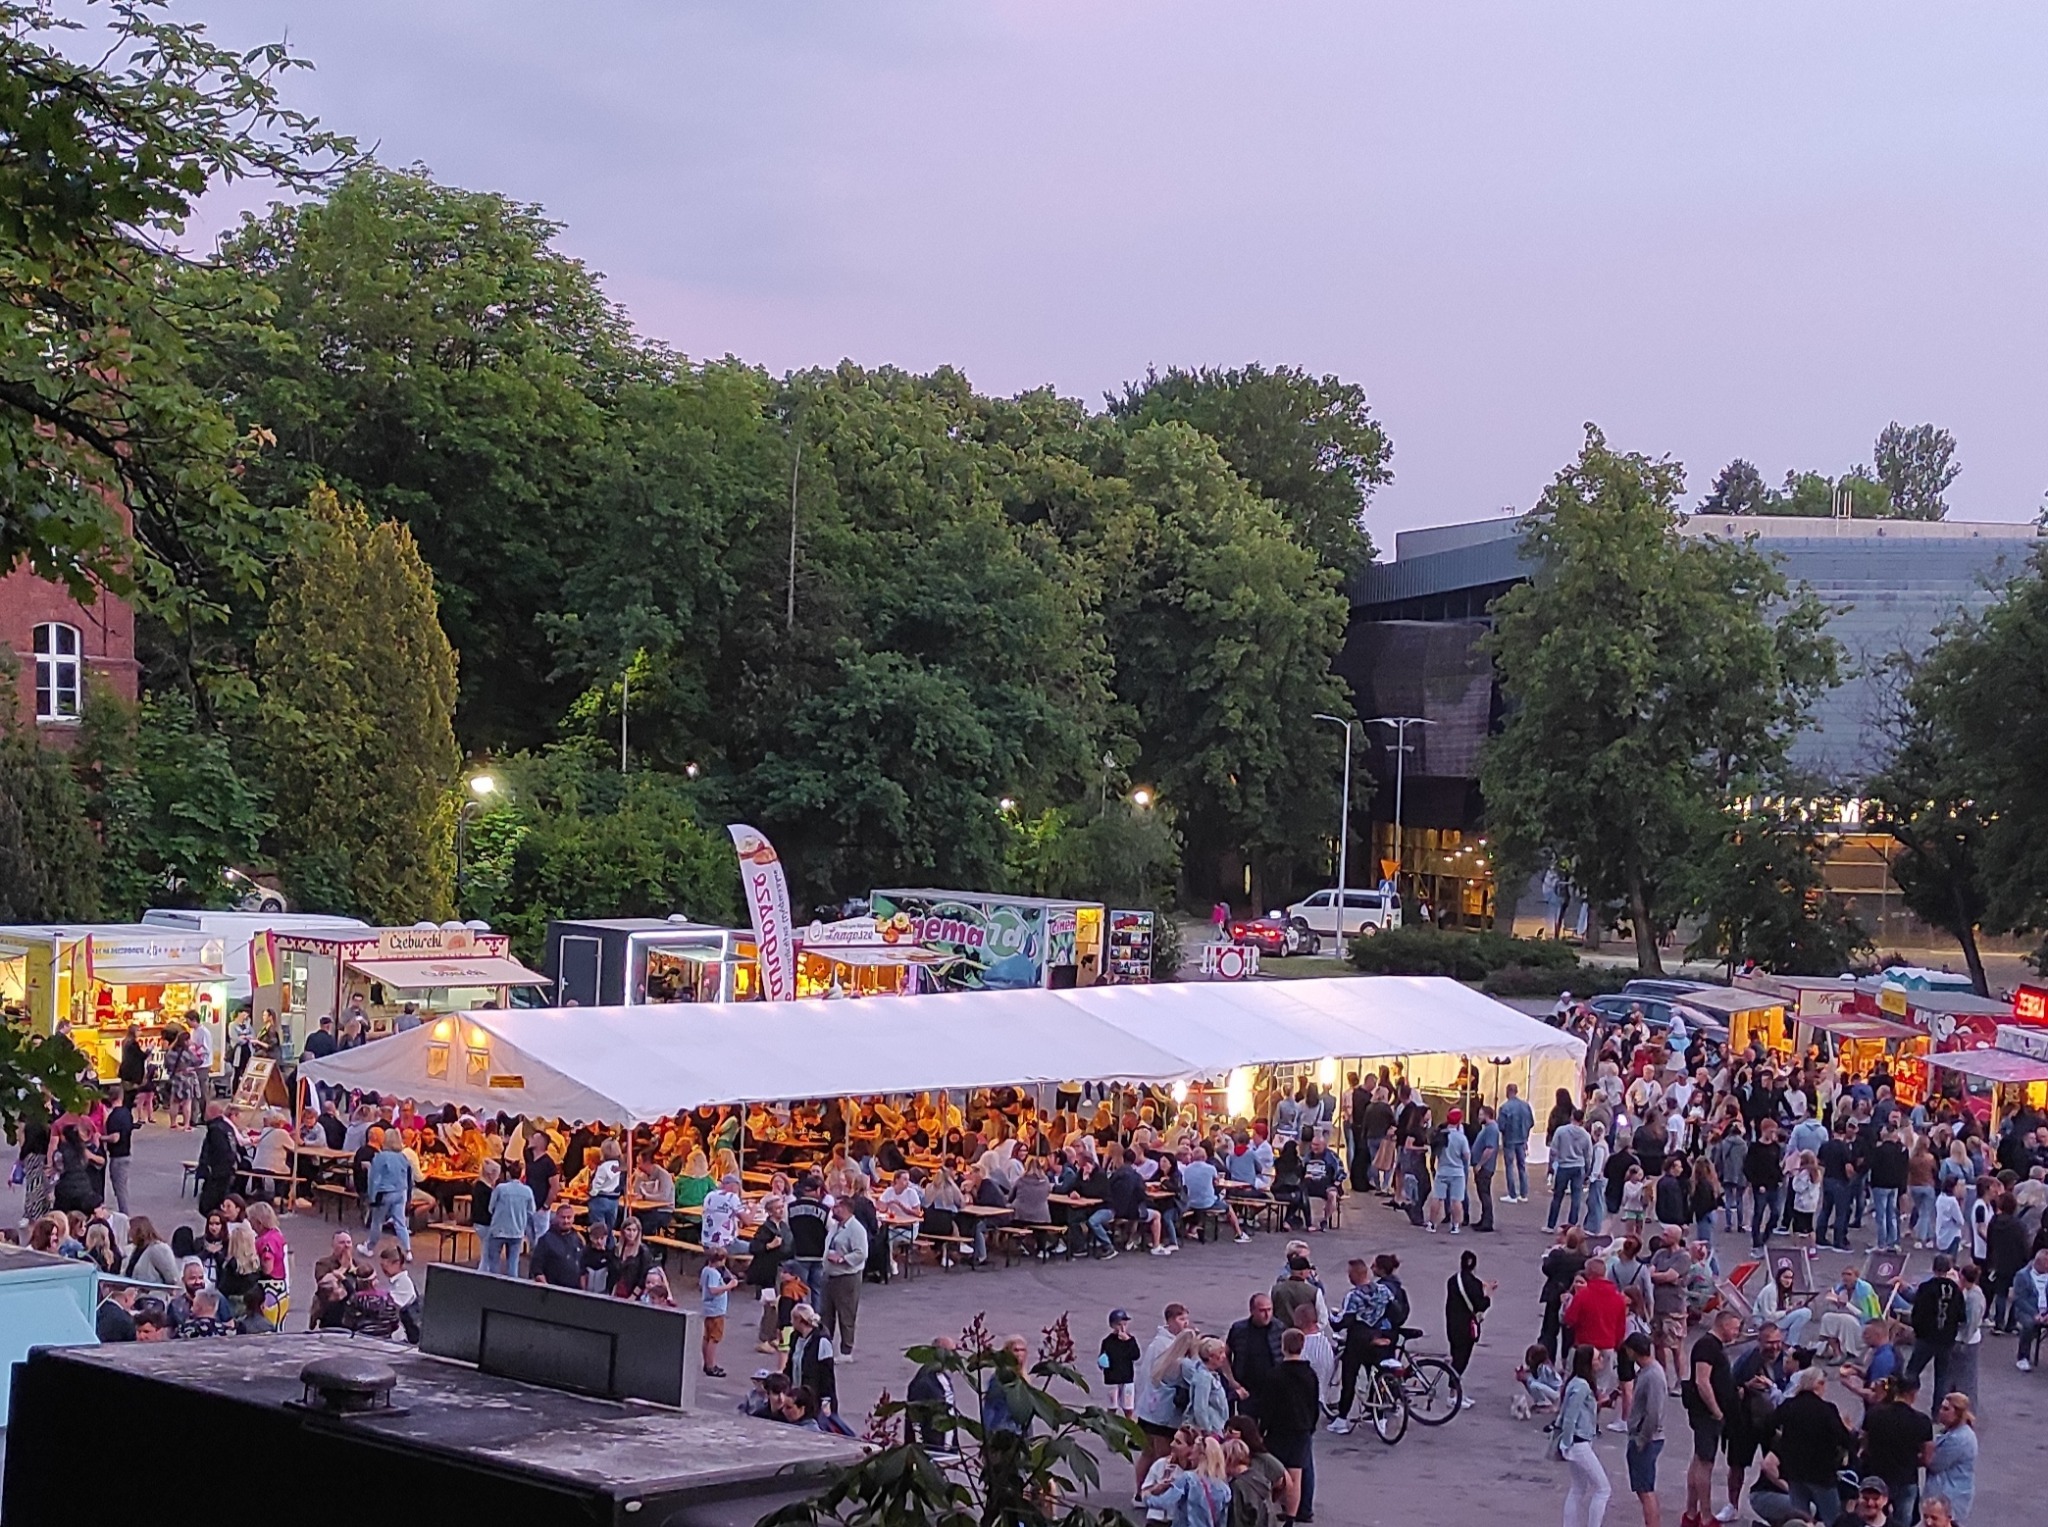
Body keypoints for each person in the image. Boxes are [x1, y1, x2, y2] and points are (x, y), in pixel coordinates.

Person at [1763, 1365, 1856, 1524]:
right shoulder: (1827, 1409)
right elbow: (1844, 1439)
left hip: (1794, 1471)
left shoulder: (1789, 1405)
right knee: (1833, 1519)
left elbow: (1768, 1425)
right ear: (1818, 1384)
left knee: (1800, 1518)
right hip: (1821, 1474)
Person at [1682, 1308, 1742, 1527]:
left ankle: (1690, 1513)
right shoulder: (1707, 1346)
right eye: (1735, 1328)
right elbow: (1702, 1381)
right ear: (1724, 1325)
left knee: (1698, 1460)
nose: (1737, 1332)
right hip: (1706, 1414)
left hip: (1708, 1413)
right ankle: (1705, 1516)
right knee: (1705, 1464)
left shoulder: (1713, 1347)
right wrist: (1716, 1411)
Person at [1857, 1374, 1933, 1525]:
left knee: (1874, 1519)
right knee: (1903, 1520)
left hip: (1878, 1474)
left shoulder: (1874, 1413)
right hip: (1906, 1478)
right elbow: (1927, 1458)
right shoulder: (1922, 1421)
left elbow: (1865, 1444)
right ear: (1913, 1393)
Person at [1557, 1343, 1609, 1527]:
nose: (1601, 1361)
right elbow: (1570, 1416)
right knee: (1603, 1489)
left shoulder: (1578, 1383)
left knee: (1579, 1487)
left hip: (1578, 1441)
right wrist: (1566, 1442)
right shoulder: (1582, 1386)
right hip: (1579, 1442)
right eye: (1597, 1358)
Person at [1622, 1332, 1664, 1527]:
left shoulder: (1653, 1375)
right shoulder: (1647, 1372)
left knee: (1645, 1490)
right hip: (1644, 1437)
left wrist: (1641, 1439)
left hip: (1646, 1439)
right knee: (1643, 1488)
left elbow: (1653, 1413)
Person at [818, 1197, 868, 1361]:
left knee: (846, 1314)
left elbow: (861, 1253)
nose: (833, 1209)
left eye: (837, 1207)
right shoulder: (834, 1226)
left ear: (846, 1208)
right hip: (829, 1275)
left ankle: (846, 1351)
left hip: (847, 1277)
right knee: (826, 1313)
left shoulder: (856, 1229)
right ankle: (825, 1347)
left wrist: (843, 1258)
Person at [1145, 1434, 1232, 1527]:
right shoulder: (1224, 1489)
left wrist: (1147, 1496)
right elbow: (1222, 1522)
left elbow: (1165, 1502)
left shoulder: (1188, 1479)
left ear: (1200, 1455)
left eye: (1194, 1448)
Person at [1924, 1392, 1975, 1524]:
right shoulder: (1949, 1431)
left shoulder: (1959, 1438)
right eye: (1941, 1407)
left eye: (1946, 1409)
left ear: (1958, 1413)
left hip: (1951, 1495)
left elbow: (1935, 1463)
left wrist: (1924, 1453)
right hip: (1945, 1491)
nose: (1941, 1412)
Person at [906, 1334, 960, 1453]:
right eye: (952, 1352)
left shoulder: (943, 1378)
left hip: (948, 1448)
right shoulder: (924, 1382)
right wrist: (919, 1449)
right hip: (931, 1448)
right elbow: (915, 1419)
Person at [1445, 1248, 1490, 1386]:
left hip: (1452, 1323)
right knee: (1461, 1359)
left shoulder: (1453, 1280)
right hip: (1466, 1327)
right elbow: (1481, 1305)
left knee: (1455, 1354)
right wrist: (1487, 1294)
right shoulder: (1474, 1283)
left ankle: (1454, 1391)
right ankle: (1453, 1392)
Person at [699, 1245, 738, 1378]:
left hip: (708, 1307)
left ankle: (706, 1362)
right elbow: (713, 1289)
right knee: (714, 1338)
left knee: (707, 1336)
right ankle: (711, 1365)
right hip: (716, 1309)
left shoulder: (705, 1270)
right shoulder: (714, 1273)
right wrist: (729, 1286)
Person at [1100, 1308, 1141, 1418]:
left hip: (1127, 1378)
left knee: (1128, 1408)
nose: (1122, 1328)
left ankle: (1129, 1429)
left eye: (1125, 1324)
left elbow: (1136, 1355)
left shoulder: (1130, 1340)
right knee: (1112, 1407)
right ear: (1112, 1325)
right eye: (1119, 1325)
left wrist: (1128, 1341)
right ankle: (1110, 1428)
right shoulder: (1107, 1341)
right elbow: (1103, 1357)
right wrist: (1102, 1362)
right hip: (1112, 1379)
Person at [1499, 1083, 1535, 1202]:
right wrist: (1525, 1133)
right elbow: (1531, 1122)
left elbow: (1501, 1126)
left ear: (1507, 1091)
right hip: (1522, 1138)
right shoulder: (1525, 1106)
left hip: (1509, 1139)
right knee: (1522, 1166)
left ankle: (1512, 1194)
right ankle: (1524, 1194)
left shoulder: (1505, 1107)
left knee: (1510, 1166)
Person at [122, 1216, 180, 1287]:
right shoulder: (136, 1250)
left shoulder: (158, 1249)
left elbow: (172, 1277)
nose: (129, 1234)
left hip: (154, 1295)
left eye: (130, 1230)